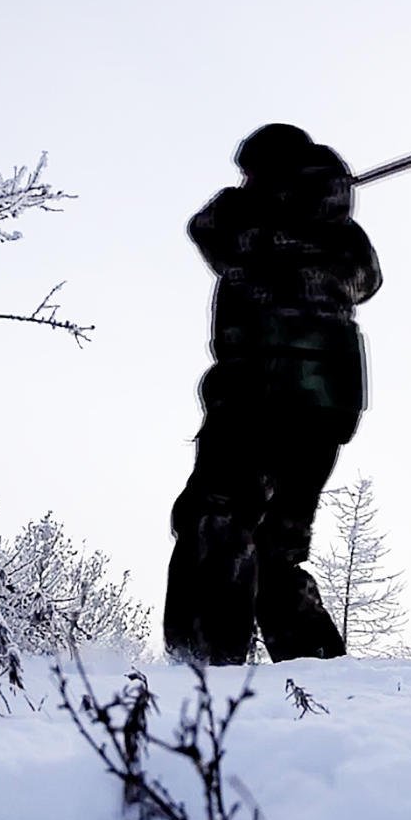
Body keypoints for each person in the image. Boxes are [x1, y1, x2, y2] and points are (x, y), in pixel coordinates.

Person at [163, 123, 382, 665]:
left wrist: (259, 205)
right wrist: (308, 208)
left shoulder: (252, 224)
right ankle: (317, 674)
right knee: (276, 549)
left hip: (256, 395)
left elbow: (208, 230)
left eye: (248, 172)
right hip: (325, 405)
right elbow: (367, 280)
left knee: (219, 518)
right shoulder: (343, 234)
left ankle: (204, 666)